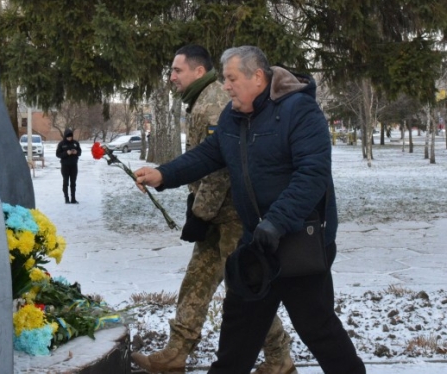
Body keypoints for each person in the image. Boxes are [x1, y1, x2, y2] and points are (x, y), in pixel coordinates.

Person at [134, 46, 366, 374]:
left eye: (231, 78)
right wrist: (163, 174)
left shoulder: (300, 111)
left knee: (318, 329)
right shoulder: (233, 115)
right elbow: (207, 155)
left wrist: (276, 223)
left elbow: (311, 176)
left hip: (299, 242)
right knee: (238, 335)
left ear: (257, 77)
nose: (225, 86)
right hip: (255, 244)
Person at [131, 45, 294, 374]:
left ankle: (279, 358)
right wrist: (165, 176)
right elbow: (202, 160)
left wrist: (200, 214)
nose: (172, 77)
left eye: (177, 70)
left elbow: (221, 168)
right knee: (197, 282)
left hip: (231, 215)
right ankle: (177, 352)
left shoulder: (214, 103)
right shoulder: (200, 101)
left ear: (198, 70)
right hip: (214, 213)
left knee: (245, 288)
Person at [56, 128, 82, 204]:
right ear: (65, 136)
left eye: (70, 137)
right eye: (68, 137)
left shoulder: (76, 143)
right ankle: (66, 198)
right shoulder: (61, 144)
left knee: (73, 182)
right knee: (65, 182)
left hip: (74, 165)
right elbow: (58, 154)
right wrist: (66, 153)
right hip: (65, 166)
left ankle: (73, 198)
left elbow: (80, 152)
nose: (69, 138)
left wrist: (76, 152)